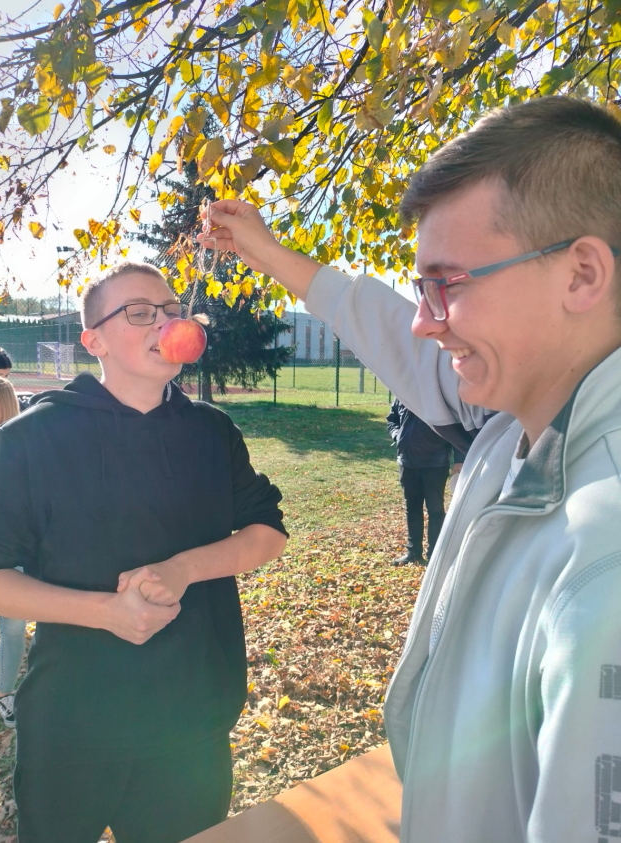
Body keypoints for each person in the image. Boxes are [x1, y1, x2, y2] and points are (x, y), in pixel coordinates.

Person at [200, 96, 621, 842]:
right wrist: (265, 252)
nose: (426, 320)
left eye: (448, 285)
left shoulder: (603, 551)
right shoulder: (513, 424)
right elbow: (392, 333)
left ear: (582, 274)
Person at [0, 262, 288, 843]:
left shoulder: (212, 431)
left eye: (172, 310)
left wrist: (183, 569)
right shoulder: (29, 440)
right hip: (70, 725)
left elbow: (268, 531)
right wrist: (106, 612)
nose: (166, 323)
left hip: (190, 721)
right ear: (93, 341)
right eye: (140, 312)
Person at [0, 375, 27, 729]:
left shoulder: (21, 442)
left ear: (4, 402)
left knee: (13, 626)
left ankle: (6, 694)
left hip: (13, 550)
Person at [387, 397, 463, 566]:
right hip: (407, 462)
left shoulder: (437, 394)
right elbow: (392, 420)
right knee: (412, 508)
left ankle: (434, 554)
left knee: (435, 509)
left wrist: (459, 459)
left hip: (435, 463)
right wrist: (398, 435)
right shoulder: (402, 394)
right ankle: (413, 552)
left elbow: (457, 427)